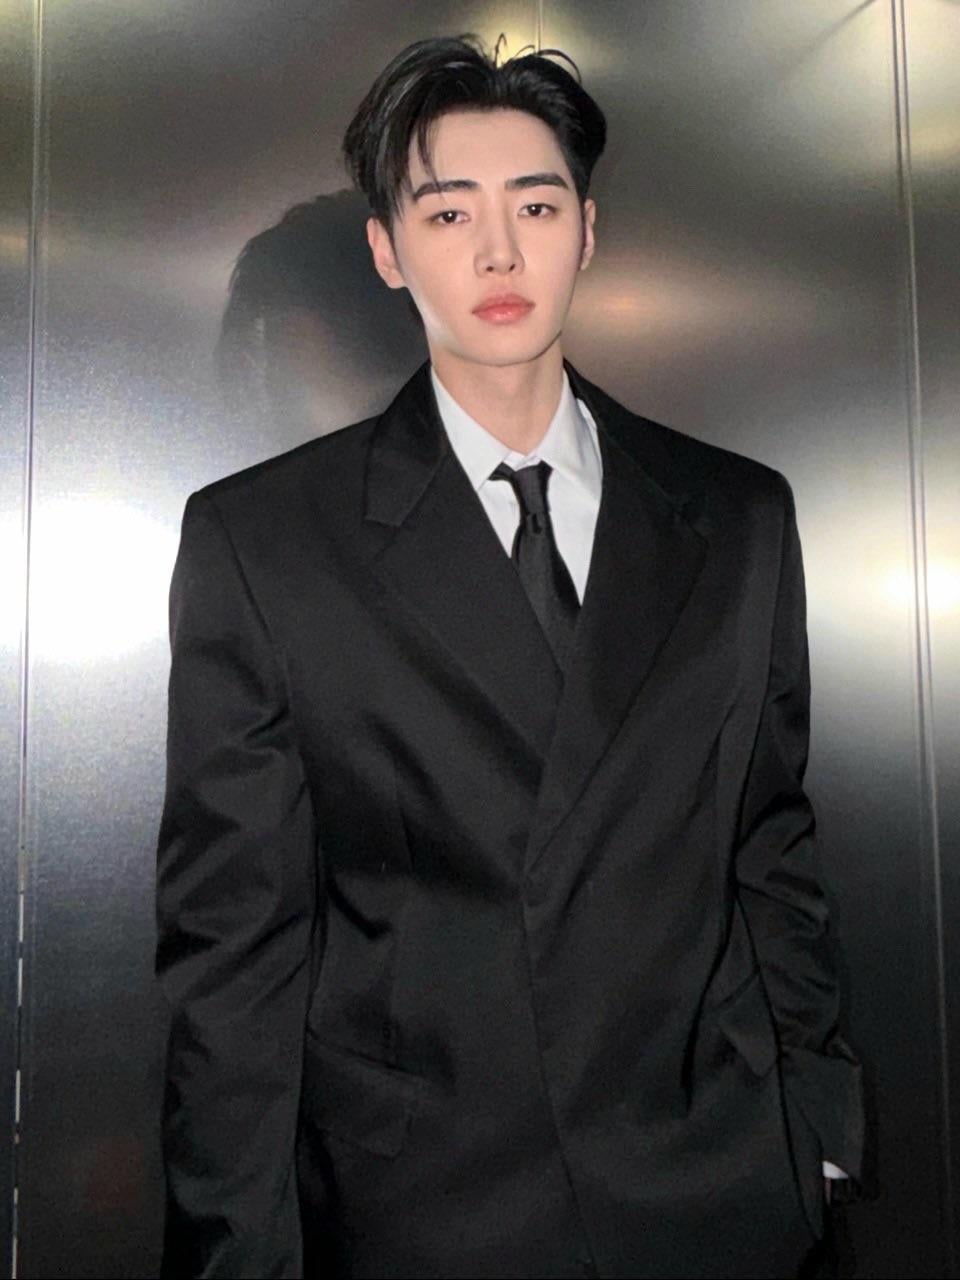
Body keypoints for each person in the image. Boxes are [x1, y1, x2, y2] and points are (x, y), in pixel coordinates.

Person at [155, 32, 865, 1279]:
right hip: (428, 1203)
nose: (498, 253)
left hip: (716, 1185)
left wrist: (821, 1124)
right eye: (448, 212)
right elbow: (236, 951)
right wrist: (235, 1251)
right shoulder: (265, 541)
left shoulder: (738, 515)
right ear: (387, 249)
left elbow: (770, 842)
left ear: (587, 231)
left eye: (535, 206)